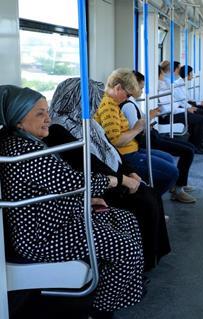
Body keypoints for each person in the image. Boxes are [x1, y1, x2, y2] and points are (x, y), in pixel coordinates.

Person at [0, 85, 144, 319]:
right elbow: (74, 183)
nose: (48, 118)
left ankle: (120, 289)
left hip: (54, 220)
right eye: (39, 113)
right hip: (41, 237)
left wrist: (87, 200)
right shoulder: (23, 152)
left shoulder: (28, 143)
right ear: (18, 120)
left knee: (125, 218)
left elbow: (56, 187)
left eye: (47, 111)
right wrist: (117, 181)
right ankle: (100, 311)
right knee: (127, 251)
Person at [46, 77, 171, 270]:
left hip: (112, 176)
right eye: (93, 100)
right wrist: (123, 180)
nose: (96, 105)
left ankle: (153, 255)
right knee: (143, 201)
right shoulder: (57, 129)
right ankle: (142, 263)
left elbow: (111, 149)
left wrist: (131, 172)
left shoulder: (88, 124)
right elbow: (86, 162)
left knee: (150, 192)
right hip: (95, 185)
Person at [94, 68, 178, 194]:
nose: (127, 98)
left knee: (169, 159)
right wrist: (137, 129)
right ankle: (152, 199)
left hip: (132, 149)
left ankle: (152, 197)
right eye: (127, 95)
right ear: (118, 88)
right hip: (125, 155)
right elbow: (116, 141)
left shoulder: (112, 103)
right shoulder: (108, 106)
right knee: (171, 173)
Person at [121, 71, 197, 203]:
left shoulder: (132, 102)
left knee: (189, 148)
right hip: (147, 140)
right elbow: (138, 129)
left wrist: (150, 116)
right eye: (141, 87)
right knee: (187, 151)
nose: (142, 90)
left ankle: (178, 184)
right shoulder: (128, 106)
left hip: (152, 135)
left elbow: (142, 121)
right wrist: (150, 118)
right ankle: (178, 189)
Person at [158, 62, 203, 154]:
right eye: (162, 73)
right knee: (201, 119)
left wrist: (187, 108)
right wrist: (185, 109)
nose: (164, 75)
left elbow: (176, 102)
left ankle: (196, 143)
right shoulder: (161, 89)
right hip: (169, 116)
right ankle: (196, 146)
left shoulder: (165, 86)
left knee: (200, 116)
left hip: (176, 111)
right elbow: (169, 109)